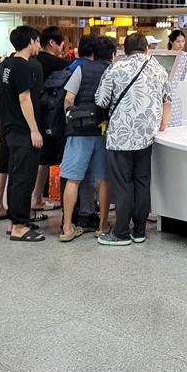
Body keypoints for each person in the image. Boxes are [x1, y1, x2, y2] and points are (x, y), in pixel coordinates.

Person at [95, 32, 172, 246]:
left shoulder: (115, 68)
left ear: (124, 51)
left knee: (123, 185)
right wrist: (161, 125)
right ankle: (139, 231)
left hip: (120, 136)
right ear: (147, 48)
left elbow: (101, 101)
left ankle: (120, 233)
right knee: (142, 182)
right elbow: (168, 100)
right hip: (146, 136)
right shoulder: (158, 69)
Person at [58, 35, 116, 242]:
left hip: (79, 131)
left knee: (73, 179)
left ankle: (66, 228)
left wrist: (71, 120)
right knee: (103, 180)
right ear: (112, 54)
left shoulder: (81, 69)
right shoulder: (113, 71)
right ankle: (102, 226)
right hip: (104, 132)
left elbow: (68, 98)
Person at [0, 26, 45, 242]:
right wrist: (34, 130)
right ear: (30, 41)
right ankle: (19, 226)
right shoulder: (24, 67)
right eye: (37, 42)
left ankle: (13, 221)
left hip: (9, 129)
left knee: (15, 176)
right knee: (24, 178)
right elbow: (24, 99)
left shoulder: (6, 64)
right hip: (22, 130)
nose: (38, 46)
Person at [33, 26, 70, 213]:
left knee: (36, 158)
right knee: (48, 157)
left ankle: (35, 196)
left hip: (30, 115)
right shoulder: (60, 64)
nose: (61, 48)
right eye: (61, 44)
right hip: (51, 116)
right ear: (52, 42)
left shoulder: (30, 60)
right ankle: (37, 197)